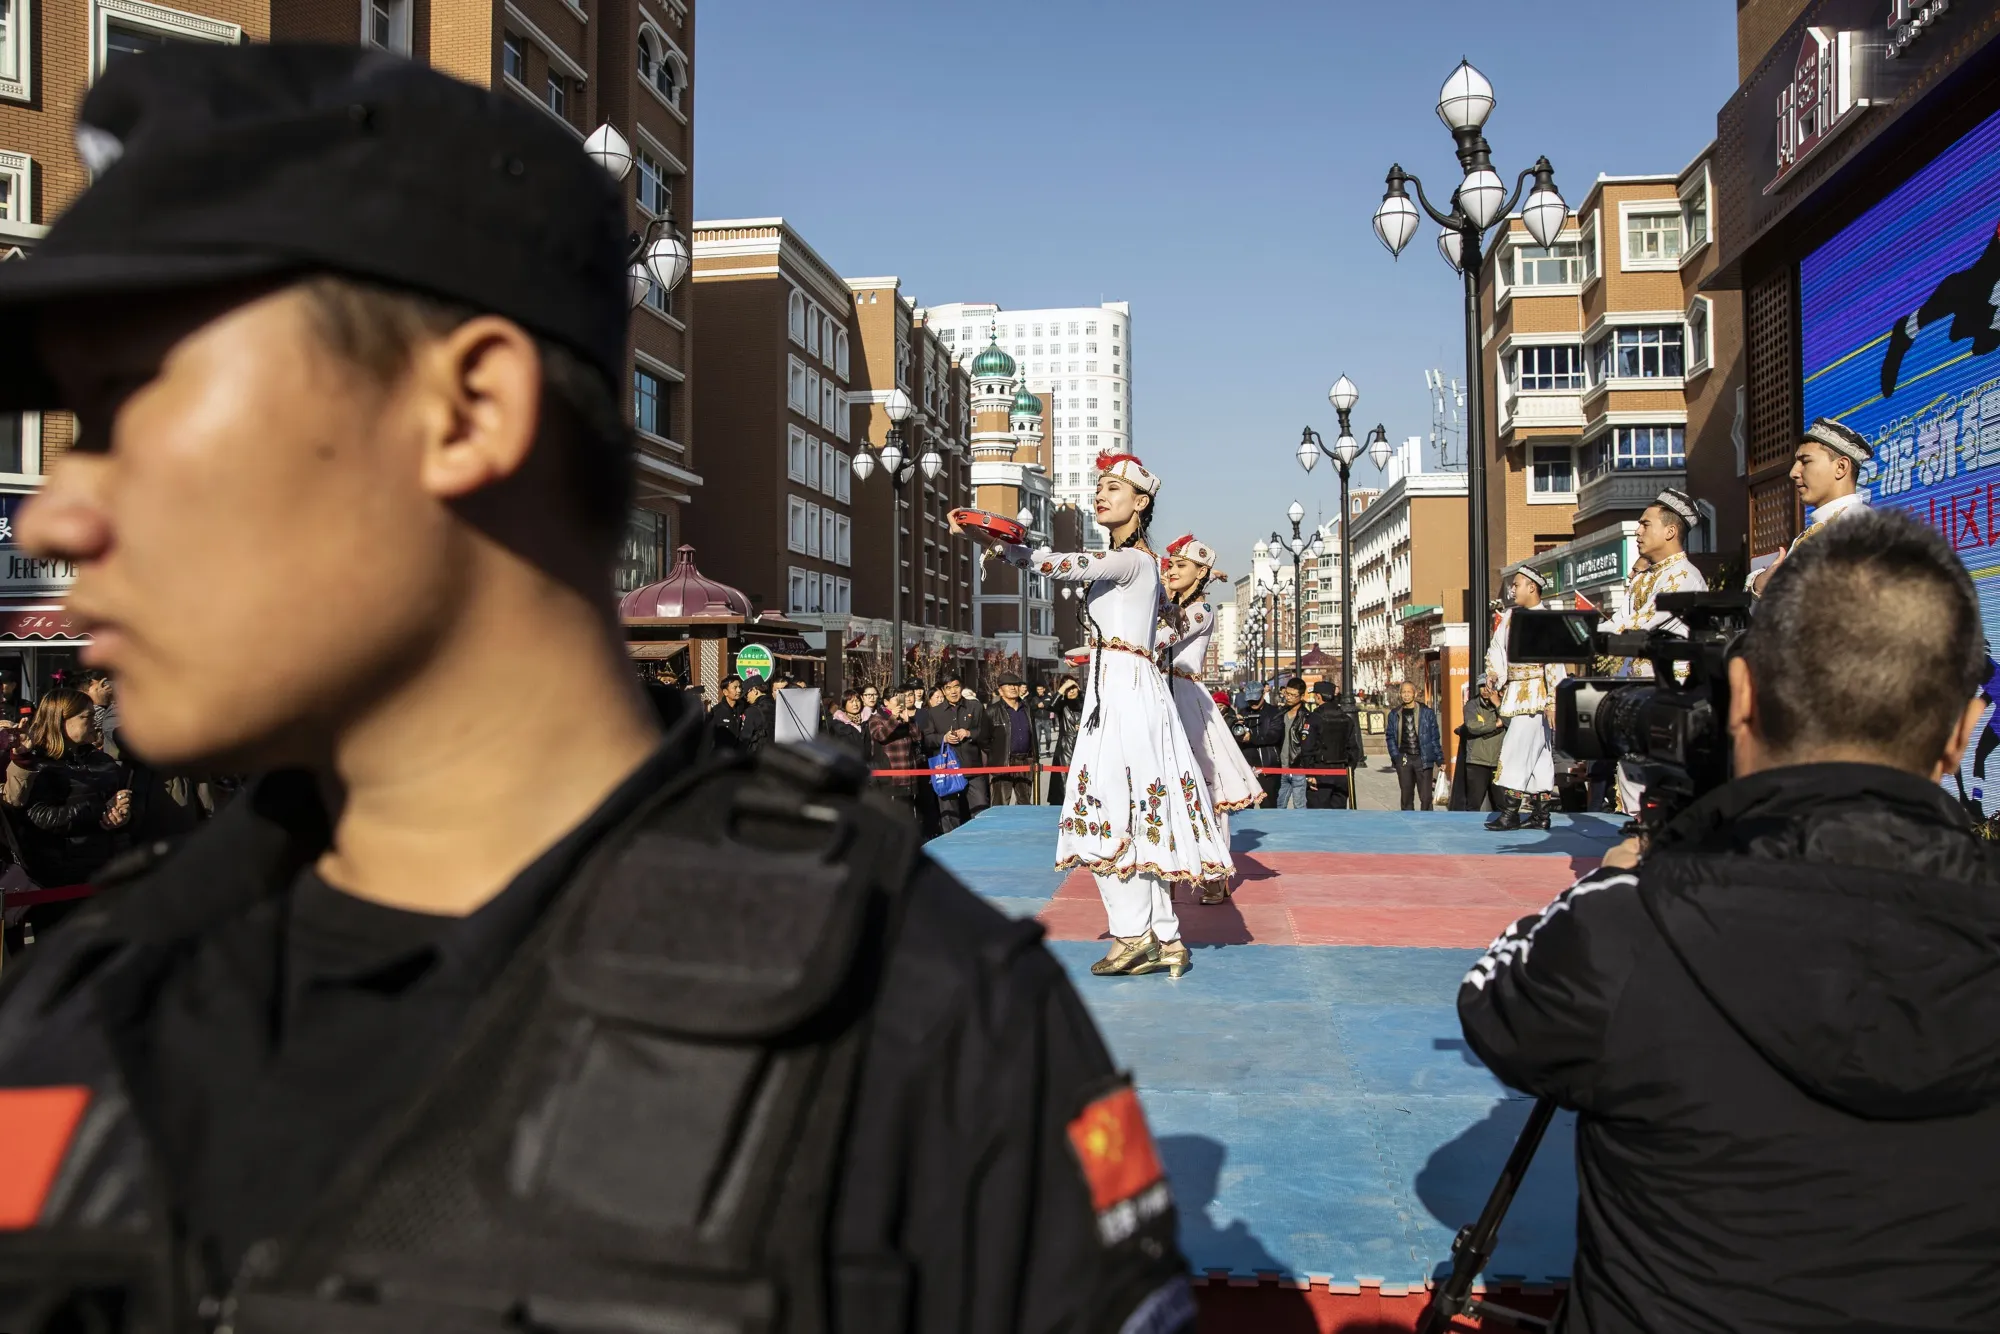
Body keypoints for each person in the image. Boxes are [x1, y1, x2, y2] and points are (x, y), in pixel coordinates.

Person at [0, 48, 1192, 1333]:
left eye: (141, 405)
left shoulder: (914, 1038)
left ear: (468, 413)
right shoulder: (90, 1007)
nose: (64, 509)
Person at [1459, 509, 2000, 1333]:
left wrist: (1646, 864)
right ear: (1965, 731)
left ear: (1741, 697)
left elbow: (1493, 1004)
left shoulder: (1625, 931)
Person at [964, 452, 1231, 978]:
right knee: (1134, 812)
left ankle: (1135, 936)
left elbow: (1066, 563)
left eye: (1113, 487)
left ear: (1142, 502)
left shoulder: (1130, 560)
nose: (1100, 494)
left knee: (1106, 806)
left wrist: (1012, 545)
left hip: (1125, 695)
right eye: (1099, 487)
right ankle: (1164, 938)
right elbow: (1139, 630)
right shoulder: (1141, 567)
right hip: (1124, 686)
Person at [1157, 535, 1261, 903]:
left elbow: (1159, 640)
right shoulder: (1170, 605)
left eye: (1180, 566)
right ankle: (1164, 871)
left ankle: (1215, 873)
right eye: (1170, 565)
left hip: (1188, 704)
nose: (1171, 570)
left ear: (1199, 573)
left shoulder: (1199, 612)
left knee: (1207, 789)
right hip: (1160, 697)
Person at [1600, 487, 1710, 815]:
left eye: (1646, 524)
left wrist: (1593, 632)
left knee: (1658, 785)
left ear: (1671, 531)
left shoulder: (1684, 577)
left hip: (1668, 694)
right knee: (1632, 775)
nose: (1638, 531)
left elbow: (1641, 625)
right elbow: (1620, 621)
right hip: (1639, 693)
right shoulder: (1645, 579)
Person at [1, 689, 133, 927]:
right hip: (59, 879)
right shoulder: (37, 764)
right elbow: (39, 817)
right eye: (86, 717)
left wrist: (121, 812)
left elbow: (116, 801)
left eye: (95, 715)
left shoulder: (100, 760)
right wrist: (98, 811)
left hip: (105, 869)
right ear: (60, 720)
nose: (95, 722)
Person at [1750, 417, 1873, 595]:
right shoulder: (1818, 530)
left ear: (1841, 467)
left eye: (1805, 461)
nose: (1794, 472)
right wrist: (1762, 584)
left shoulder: (1860, 529)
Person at [1484, 569, 1566, 832]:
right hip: (1517, 690)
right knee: (1540, 755)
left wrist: (1553, 700)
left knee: (1516, 748)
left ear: (1532, 587)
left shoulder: (1545, 619)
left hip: (1536, 693)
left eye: (1516, 585)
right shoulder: (1509, 617)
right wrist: (1495, 673)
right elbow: (1496, 648)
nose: (1512, 590)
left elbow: (1554, 662)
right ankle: (1542, 814)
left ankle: (1510, 812)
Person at [917, 671, 990, 830]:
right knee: (949, 814)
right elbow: (927, 739)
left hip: (973, 767)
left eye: (956, 686)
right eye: (948, 688)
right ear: (943, 691)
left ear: (961, 687)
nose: (953, 691)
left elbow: (986, 733)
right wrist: (944, 738)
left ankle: (982, 842)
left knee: (981, 809)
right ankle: (950, 846)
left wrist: (969, 733)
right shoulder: (933, 713)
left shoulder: (975, 706)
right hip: (947, 769)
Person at [1248, 679, 1313, 809]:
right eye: (1287, 693)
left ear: (1301, 696)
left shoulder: (1307, 717)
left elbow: (1310, 745)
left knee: (1300, 806)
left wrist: (1310, 771)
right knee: (1278, 807)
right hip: (1280, 768)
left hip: (1298, 768)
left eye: (1293, 695)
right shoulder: (1279, 713)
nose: (1288, 697)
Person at [1302, 681, 1364, 810]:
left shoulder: (1314, 718)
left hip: (1320, 771)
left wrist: (1310, 774)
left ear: (1318, 696)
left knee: (1318, 815)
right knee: (1339, 815)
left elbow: (1307, 748)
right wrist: (1349, 770)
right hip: (1341, 772)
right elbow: (1354, 749)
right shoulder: (1346, 718)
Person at [1383, 681, 1443, 812]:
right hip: (1404, 758)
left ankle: (1426, 823)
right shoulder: (1394, 714)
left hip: (1423, 758)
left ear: (1414, 694)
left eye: (1409, 692)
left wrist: (1440, 759)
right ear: (1400, 694)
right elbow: (1390, 736)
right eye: (1403, 692)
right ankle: (1408, 823)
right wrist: (1396, 756)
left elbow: (1434, 737)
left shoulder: (1426, 713)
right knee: (1406, 796)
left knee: (1426, 797)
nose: (1406, 695)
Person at [1452, 682, 1504, 812]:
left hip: (1499, 762)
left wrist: (1498, 704)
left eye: (1489, 687)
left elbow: (1510, 721)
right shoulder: (1472, 705)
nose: (1485, 690)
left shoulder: (1504, 705)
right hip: (1477, 761)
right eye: (1482, 686)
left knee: (1501, 804)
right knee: (1473, 804)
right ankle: (1470, 830)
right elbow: (1472, 726)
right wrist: (1496, 725)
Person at [985, 673, 1036, 806]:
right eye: (1008, 685)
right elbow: (984, 739)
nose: (1013, 688)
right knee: (1000, 804)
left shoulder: (1028, 709)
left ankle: (1024, 827)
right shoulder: (992, 711)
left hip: (1025, 761)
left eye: (1015, 685)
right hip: (1003, 762)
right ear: (1000, 690)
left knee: (1025, 804)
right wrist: (997, 755)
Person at [1235, 686, 1281, 807]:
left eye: (1256, 700)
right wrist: (1236, 727)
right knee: (1245, 807)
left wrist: (1252, 737)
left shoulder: (1274, 712)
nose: (1253, 703)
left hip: (1267, 766)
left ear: (1263, 695)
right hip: (1246, 767)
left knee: (1268, 806)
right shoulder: (1243, 712)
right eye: (1250, 701)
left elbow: (1274, 736)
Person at [1044, 674, 1083, 805]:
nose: (1071, 691)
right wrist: (1062, 688)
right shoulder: (1062, 704)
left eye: (1073, 688)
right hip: (1066, 748)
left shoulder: (1086, 702)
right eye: (1068, 689)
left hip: (1084, 746)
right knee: (1064, 788)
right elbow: (1050, 706)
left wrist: (1084, 726)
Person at [823, 687, 870, 764]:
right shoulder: (837, 724)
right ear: (844, 704)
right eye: (851, 702)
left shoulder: (867, 720)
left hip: (867, 765)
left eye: (857, 701)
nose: (855, 704)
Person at [707, 673, 747, 748]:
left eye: (739, 687)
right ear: (725, 692)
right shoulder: (717, 711)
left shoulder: (744, 707)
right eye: (735, 687)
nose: (739, 690)